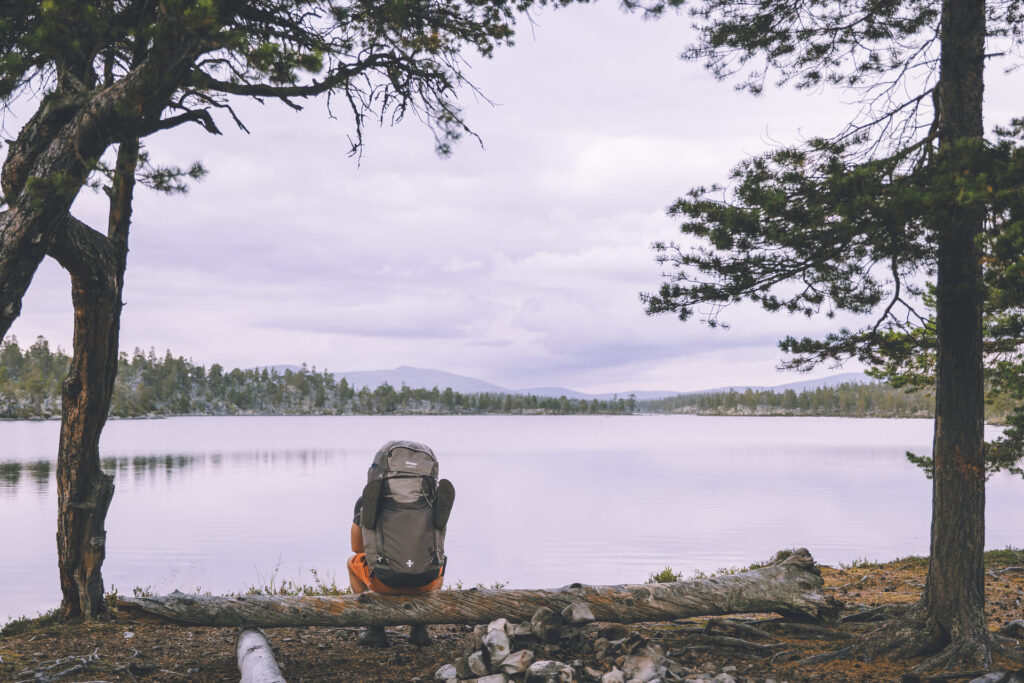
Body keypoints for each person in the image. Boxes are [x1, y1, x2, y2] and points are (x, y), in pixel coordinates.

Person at [347, 440, 453, 647]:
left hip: (385, 581)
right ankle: (420, 627)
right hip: (427, 581)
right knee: (441, 560)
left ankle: (374, 628)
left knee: (352, 563)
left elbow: (358, 548)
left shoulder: (370, 501)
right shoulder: (432, 500)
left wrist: (360, 517)